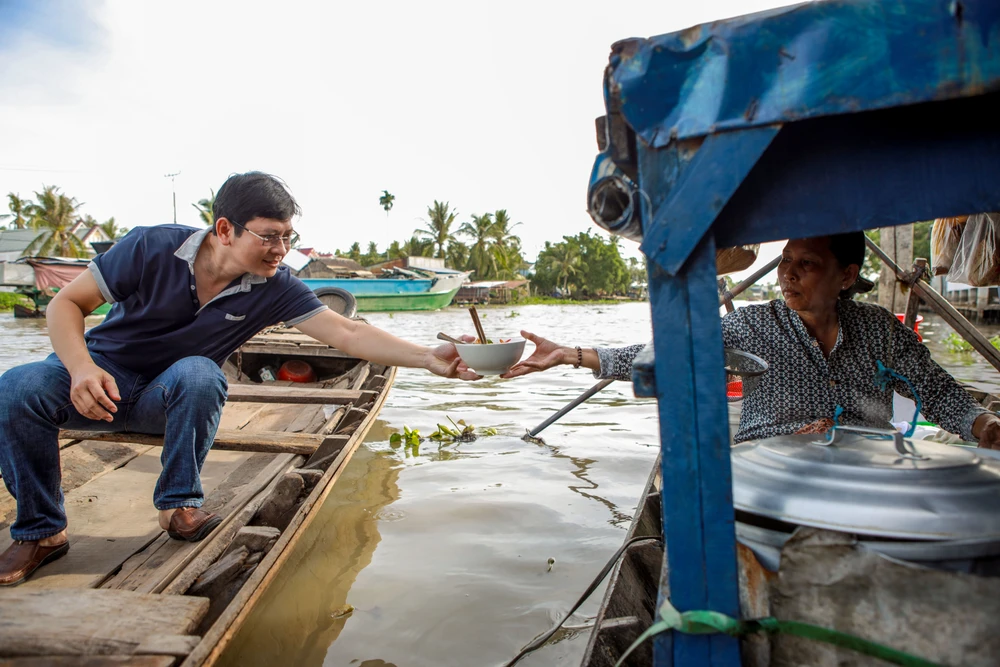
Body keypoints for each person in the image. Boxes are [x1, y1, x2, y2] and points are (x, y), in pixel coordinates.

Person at [0, 171, 478, 586]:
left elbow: (347, 332)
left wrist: (430, 358)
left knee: (200, 372)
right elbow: (67, 304)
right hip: (97, 386)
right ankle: (42, 531)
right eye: (270, 236)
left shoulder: (274, 286)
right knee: (17, 386)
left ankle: (177, 506)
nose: (281, 250)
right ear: (225, 229)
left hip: (168, 400)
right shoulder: (151, 246)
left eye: (288, 236)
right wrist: (82, 368)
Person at [503, 232, 1000, 450]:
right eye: (785, 262)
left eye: (806, 264)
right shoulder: (756, 325)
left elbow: (936, 391)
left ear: (847, 275)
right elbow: (674, 353)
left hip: (864, 467)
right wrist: (571, 355)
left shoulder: (879, 330)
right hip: (768, 467)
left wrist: (980, 423)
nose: (788, 275)